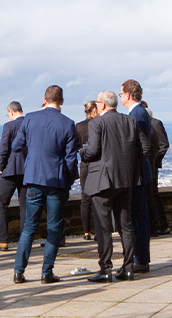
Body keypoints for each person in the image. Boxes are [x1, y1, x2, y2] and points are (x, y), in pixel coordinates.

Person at [11, 85, 80, 284]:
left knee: (29, 227)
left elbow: (16, 146)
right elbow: (70, 159)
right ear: (62, 101)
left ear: (44, 99)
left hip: (33, 178)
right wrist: (70, 179)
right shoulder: (68, 124)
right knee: (54, 227)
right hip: (56, 181)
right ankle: (46, 272)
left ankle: (18, 271)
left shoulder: (30, 118)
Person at [81, 91, 151, 283]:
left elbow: (93, 150)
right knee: (125, 226)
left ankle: (106, 269)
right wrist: (130, 167)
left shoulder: (97, 123)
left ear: (102, 105)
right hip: (126, 180)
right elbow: (145, 148)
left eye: (97, 103)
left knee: (103, 227)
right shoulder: (130, 121)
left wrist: (83, 154)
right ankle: (128, 268)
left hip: (102, 181)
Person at [119, 79, 154, 272]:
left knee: (139, 217)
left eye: (121, 94)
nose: (121, 97)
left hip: (138, 174)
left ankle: (141, 258)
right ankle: (139, 257)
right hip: (140, 173)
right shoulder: (138, 113)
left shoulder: (137, 115)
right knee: (138, 217)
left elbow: (141, 147)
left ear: (129, 95)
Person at [0, 101, 27, 252]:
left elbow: (4, 149)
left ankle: (3, 239)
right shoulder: (29, 124)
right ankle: (25, 239)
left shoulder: (9, 126)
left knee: (1, 204)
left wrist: (1, 168)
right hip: (27, 170)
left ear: (11, 112)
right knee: (25, 206)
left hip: (10, 170)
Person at [146, 102, 172, 236]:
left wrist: (154, 161)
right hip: (147, 166)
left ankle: (161, 224)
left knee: (153, 195)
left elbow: (164, 145)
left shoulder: (155, 124)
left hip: (152, 166)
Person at [75, 101, 97, 241]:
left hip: (84, 164)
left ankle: (86, 232)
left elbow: (76, 146)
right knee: (98, 199)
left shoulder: (79, 126)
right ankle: (98, 229)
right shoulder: (99, 124)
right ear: (94, 110)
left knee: (85, 198)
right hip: (98, 164)